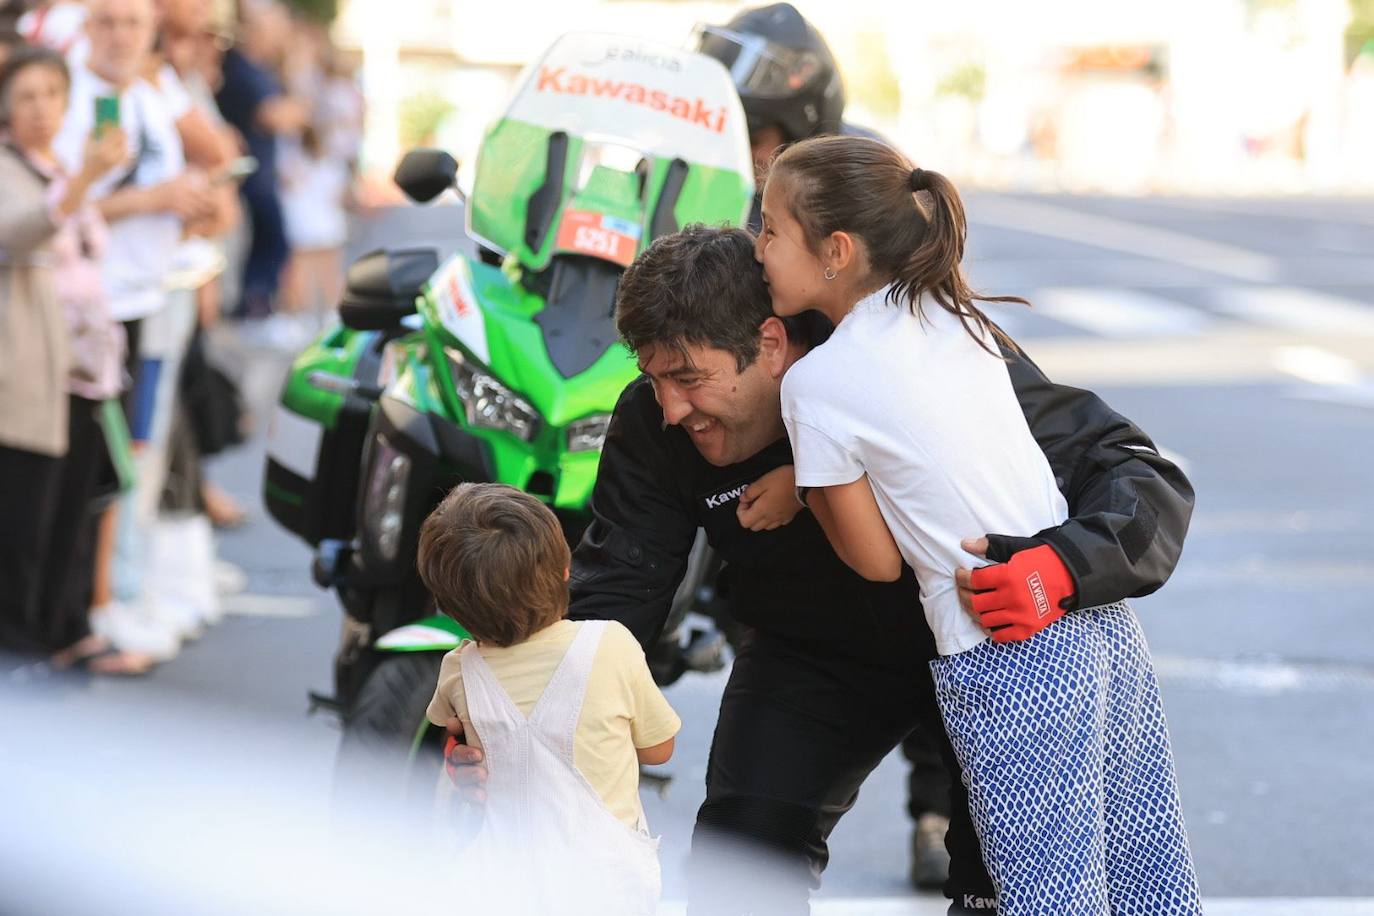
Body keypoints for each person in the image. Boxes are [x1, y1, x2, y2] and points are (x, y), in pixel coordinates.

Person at [447, 226, 1197, 915]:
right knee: (738, 866)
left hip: (978, 642)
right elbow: (618, 590)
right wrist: (522, 723)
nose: (673, 408)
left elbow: (1136, 474)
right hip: (810, 653)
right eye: (654, 378)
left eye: (690, 378)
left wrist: (1061, 569)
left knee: (998, 887)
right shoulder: (654, 422)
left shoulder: (911, 355)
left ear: (769, 343)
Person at [762, 135, 1201, 914]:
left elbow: (875, 563)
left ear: (835, 249)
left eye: (769, 229)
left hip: (1002, 649)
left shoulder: (816, 385)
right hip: (1098, 624)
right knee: (1146, 885)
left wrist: (808, 482)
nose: (757, 248)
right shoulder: (951, 313)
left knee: (1046, 899)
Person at [695, 6, 953, 882]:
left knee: (1006, 862)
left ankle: (937, 812)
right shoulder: (724, 190)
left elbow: (892, 546)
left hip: (955, 602)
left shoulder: (852, 195)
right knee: (745, 838)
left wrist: (807, 479)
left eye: (762, 133)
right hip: (812, 610)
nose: (751, 155)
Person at [419, 483, 679, 915]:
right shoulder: (611, 645)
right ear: (565, 569)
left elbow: (453, 735)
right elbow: (659, 749)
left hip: (501, 884)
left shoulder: (460, 671)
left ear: (447, 605)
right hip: (608, 886)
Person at [0, 45, 150, 673]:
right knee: (23, 514)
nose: (40, 109)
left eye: (52, 95)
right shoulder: (11, 167)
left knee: (74, 506)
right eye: (26, 96)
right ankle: (20, 642)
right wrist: (86, 179)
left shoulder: (59, 162)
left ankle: (63, 629)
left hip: (89, 367)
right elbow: (16, 235)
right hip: (33, 365)